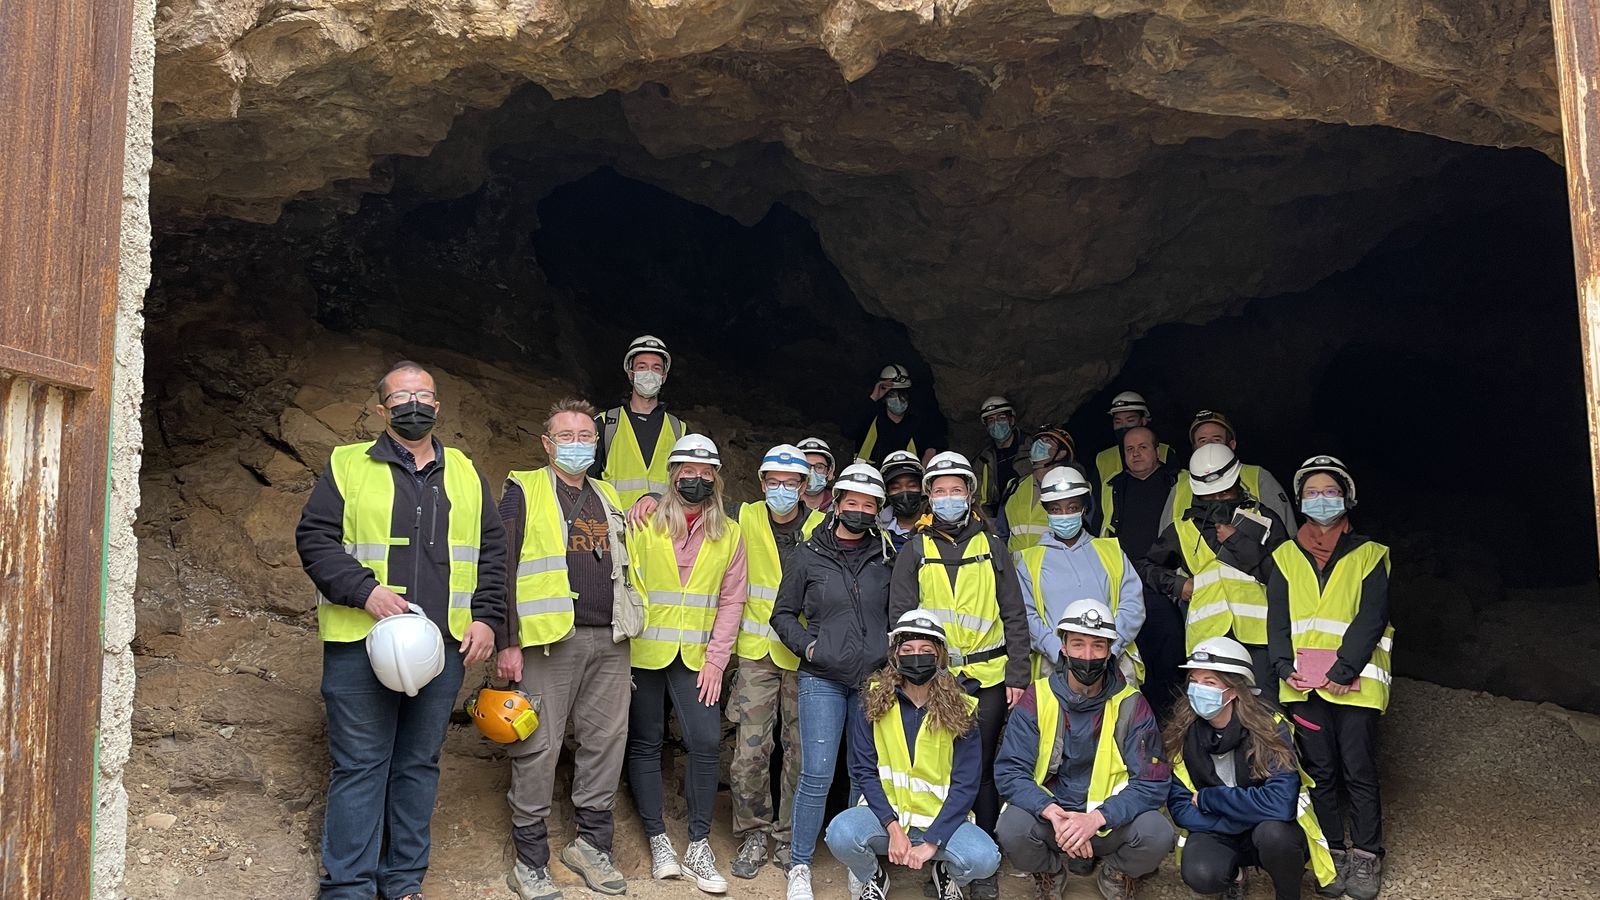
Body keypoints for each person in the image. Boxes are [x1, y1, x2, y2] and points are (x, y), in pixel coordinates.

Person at [296, 361, 507, 900]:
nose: (414, 404)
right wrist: (365, 591)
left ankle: (404, 883)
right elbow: (316, 539)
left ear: (437, 406)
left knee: (417, 765)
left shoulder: (465, 472)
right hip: (361, 643)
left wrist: (487, 617)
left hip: (442, 648)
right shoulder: (348, 464)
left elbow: (492, 553)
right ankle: (348, 888)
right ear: (381, 408)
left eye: (423, 396)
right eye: (401, 397)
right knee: (360, 766)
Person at [494, 399, 639, 900]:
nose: (577, 444)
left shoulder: (608, 494)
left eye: (585, 436)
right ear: (547, 443)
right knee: (538, 747)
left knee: (606, 743)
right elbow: (500, 565)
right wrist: (507, 641)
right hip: (548, 640)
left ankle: (591, 847)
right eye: (566, 436)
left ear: (597, 443)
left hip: (611, 638)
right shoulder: (523, 489)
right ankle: (530, 862)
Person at [889, 451, 1030, 900]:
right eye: (940, 490)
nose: (948, 497)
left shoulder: (993, 545)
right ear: (929, 496)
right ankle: (937, 858)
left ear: (970, 494)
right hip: (933, 677)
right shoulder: (916, 548)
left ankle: (981, 861)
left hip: (987, 676)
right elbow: (900, 616)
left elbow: (1014, 613)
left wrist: (1018, 673)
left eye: (956, 489)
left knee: (980, 769)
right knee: (939, 769)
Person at [624, 433, 748, 894]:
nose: (696, 479)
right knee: (645, 741)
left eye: (705, 472)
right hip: (642, 653)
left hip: (696, 657)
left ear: (716, 478)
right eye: (688, 471)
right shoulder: (644, 519)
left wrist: (717, 661)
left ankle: (698, 844)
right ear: (673, 475)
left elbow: (732, 601)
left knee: (705, 741)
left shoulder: (729, 532)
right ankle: (658, 840)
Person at [1267, 456, 1393, 900]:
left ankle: (1367, 855)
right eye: (1312, 493)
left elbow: (1372, 617)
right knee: (1319, 771)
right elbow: (1278, 620)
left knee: (1358, 769)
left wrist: (1344, 669)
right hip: (1303, 684)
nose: (1321, 499)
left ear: (1347, 498)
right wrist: (1283, 667)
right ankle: (1331, 852)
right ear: (1300, 501)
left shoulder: (1370, 554)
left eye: (1330, 491)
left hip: (1353, 684)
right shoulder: (1284, 555)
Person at [770, 464, 898, 900]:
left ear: (877, 510)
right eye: (852, 502)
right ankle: (799, 865)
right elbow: (782, 614)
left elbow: (898, 614)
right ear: (837, 504)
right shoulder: (808, 554)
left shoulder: (887, 556)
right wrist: (809, 648)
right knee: (817, 774)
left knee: (864, 775)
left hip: (873, 680)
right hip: (821, 677)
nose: (860, 510)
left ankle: (858, 865)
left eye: (869, 505)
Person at [994, 600, 1175, 900]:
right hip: (1055, 820)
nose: (1087, 656)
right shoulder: (1037, 697)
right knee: (1012, 827)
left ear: (1110, 650)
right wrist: (1050, 811)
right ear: (1063, 647)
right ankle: (1050, 872)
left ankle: (1117, 872)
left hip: (1108, 820)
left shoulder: (1132, 703)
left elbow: (1152, 782)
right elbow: (1010, 771)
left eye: (1098, 646)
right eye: (1078, 644)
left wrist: (1095, 819)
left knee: (1157, 833)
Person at [824, 611, 1002, 900]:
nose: (916, 656)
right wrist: (892, 827)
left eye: (925, 650)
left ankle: (945, 873)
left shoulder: (962, 708)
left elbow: (966, 784)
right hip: (886, 819)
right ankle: (873, 877)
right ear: (895, 655)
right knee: (840, 834)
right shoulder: (874, 701)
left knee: (985, 859)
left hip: (941, 821)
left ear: (939, 656)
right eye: (907, 650)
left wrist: (932, 842)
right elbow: (864, 771)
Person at [1165, 636, 1338, 900]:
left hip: (1263, 830)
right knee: (1200, 873)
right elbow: (1180, 808)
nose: (1199, 690)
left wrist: (1211, 799)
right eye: (1194, 682)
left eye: (1209, 683)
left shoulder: (1269, 728)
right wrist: (1240, 817)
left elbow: (1281, 803)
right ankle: (1235, 875)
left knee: (1276, 836)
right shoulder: (1181, 733)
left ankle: (1287, 894)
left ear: (1234, 690)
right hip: (1221, 829)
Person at [728, 445, 826, 878]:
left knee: (800, 752)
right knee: (750, 752)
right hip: (757, 652)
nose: (781, 490)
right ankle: (753, 832)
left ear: (805, 487)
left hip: (805, 654)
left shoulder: (824, 526)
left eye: (790, 483)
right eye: (774, 482)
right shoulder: (743, 517)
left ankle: (789, 836)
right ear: (762, 483)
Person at [1137, 443, 1287, 690]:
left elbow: (1287, 573)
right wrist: (1177, 585)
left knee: (1263, 706)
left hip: (1260, 637)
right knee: (1213, 705)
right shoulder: (1182, 528)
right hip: (1206, 637)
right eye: (1210, 495)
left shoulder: (1264, 518)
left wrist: (1238, 541)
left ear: (1236, 482)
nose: (1217, 499)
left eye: (1224, 493)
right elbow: (1145, 566)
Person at [1016, 466, 1145, 683]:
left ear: (1084, 508)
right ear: (1046, 511)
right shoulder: (1029, 560)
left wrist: (1109, 647)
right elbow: (1027, 615)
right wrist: (1058, 651)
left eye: (1072, 507)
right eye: (1055, 509)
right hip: (1055, 667)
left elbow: (1133, 604)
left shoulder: (1111, 551)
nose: (1064, 515)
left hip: (1113, 662)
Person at [1098, 425, 1185, 721]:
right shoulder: (1113, 486)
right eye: (1129, 449)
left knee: (1169, 653)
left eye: (1143, 447)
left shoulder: (1177, 482)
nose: (1135, 454)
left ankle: (1169, 722)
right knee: (1132, 654)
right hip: (1123, 582)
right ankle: (1138, 723)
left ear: (1157, 451)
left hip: (1163, 582)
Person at [593, 334, 688, 509]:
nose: (649, 373)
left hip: (664, 524)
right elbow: (587, 483)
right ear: (631, 373)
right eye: (642, 367)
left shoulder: (679, 430)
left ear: (664, 376)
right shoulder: (605, 424)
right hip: (616, 524)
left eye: (656, 368)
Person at [1160, 410, 1293, 532]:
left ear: (1232, 445)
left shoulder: (1258, 477)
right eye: (1202, 440)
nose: (1209, 445)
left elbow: (1285, 532)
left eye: (1217, 439)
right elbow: (1165, 538)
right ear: (1194, 448)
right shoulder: (1181, 486)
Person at [999, 425, 1079, 555]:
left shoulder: (1074, 489)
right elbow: (1001, 532)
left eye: (1047, 441)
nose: (1039, 444)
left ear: (1061, 453)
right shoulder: (1014, 486)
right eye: (1039, 440)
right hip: (1017, 566)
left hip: (1052, 565)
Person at [853, 363, 945, 466]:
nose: (898, 398)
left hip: (907, 475)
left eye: (902, 393)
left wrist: (930, 452)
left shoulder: (919, 424)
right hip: (872, 474)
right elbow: (848, 429)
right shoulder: (871, 420)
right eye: (892, 394)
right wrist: (873, 397)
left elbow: (938, 441)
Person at [1092, 391, 1171, 493]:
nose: (1123, 426)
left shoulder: (1166, 452)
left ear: (1143, 420)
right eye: (1118, 422)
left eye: (1130, 421)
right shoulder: (1102, 459)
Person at [973, 395, 1024, 518]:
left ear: (1012, 420)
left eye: (1001, 418)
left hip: (1027, 514)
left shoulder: (1031, 449)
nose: (996, 423)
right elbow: (977, 497)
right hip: (998, 519)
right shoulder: (982, 460)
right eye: (991, 420)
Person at [878, 450, 926, 552]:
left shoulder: (940, 525)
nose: (905, 493)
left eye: (912, 486)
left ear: (922, 488)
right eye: (895, 488)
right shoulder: (876, 530)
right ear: (886, 492)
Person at [797, 436, 837, 514]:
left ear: (829, 472)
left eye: (819, 467)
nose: (812, 472)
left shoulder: (838, 505)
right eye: (807, 466)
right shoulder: (785, 504)